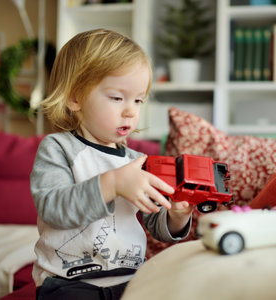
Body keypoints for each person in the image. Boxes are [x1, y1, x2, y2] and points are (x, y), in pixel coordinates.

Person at [30, 28, 193, 300]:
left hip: (129, 280)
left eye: (138, 100)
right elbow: (53, 209)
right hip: (69, 282)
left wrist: (176, 217)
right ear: (75, 97)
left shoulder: (134, 160)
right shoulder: (58, 148)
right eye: (117, 97)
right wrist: (113, 183)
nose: (130, 110)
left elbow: (155, 222)